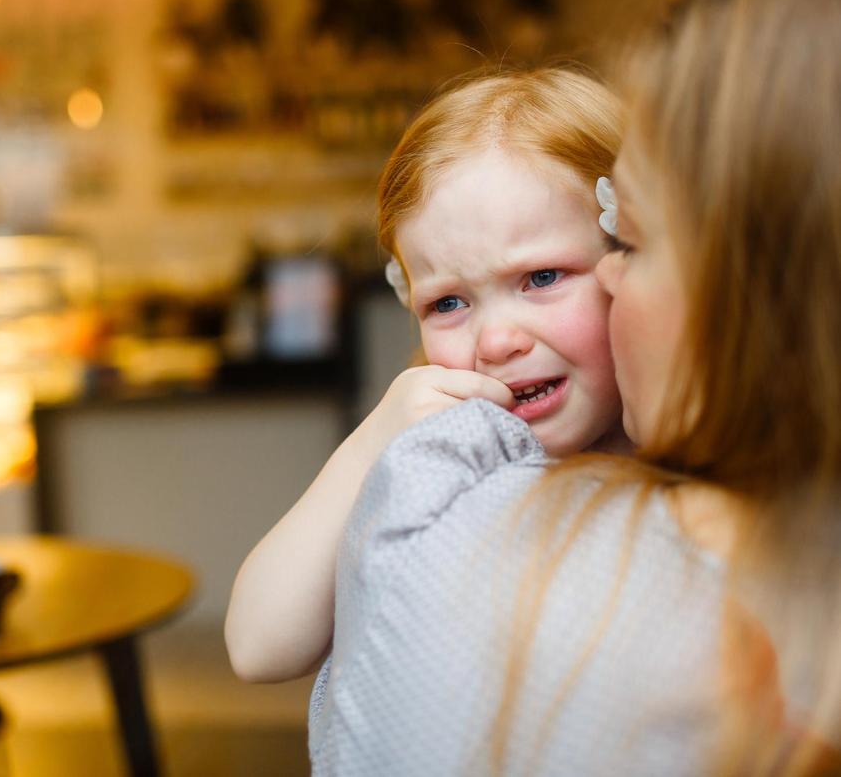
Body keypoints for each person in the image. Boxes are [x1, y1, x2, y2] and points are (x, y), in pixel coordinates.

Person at [308, 0, 841, 774]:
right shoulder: (450, 477)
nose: (499, 338)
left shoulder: (465, 557)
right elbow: (257, 633)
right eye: (447, 301)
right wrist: (383, 430)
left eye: (624, 240)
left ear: (757, 288)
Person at [226, 68, 630, 684]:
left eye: (542, 278)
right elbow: (257, 647)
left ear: (632, 254)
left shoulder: (700, 450)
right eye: (448, 304)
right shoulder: (443, 458)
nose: (497, 342)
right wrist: (370, 446)